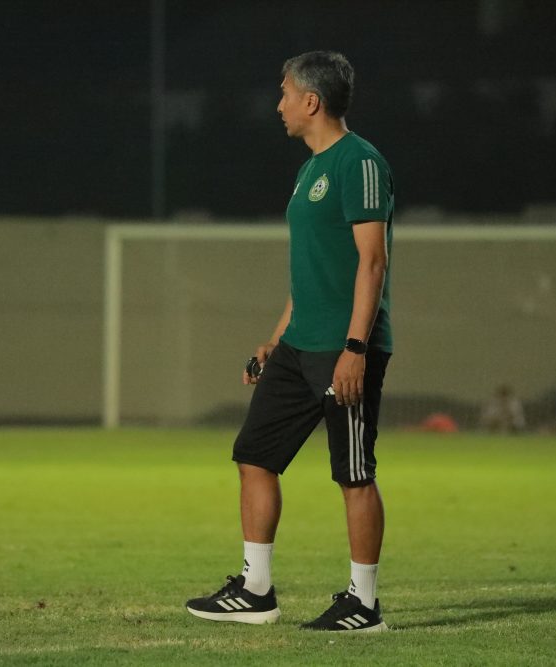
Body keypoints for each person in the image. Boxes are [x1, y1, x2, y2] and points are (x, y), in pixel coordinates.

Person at [186, 51, 394, 633]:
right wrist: (274, 341)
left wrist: (355, 348)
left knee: (353, 473)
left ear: (311, 101)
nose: (278, 105)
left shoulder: (361, 162)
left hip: (343, 349)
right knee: (254, 456)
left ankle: (364, 604)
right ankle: (256, 591)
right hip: (300, 346)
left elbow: (372, 263)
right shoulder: (308, 171)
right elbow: (309, 276)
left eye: (284, 93)